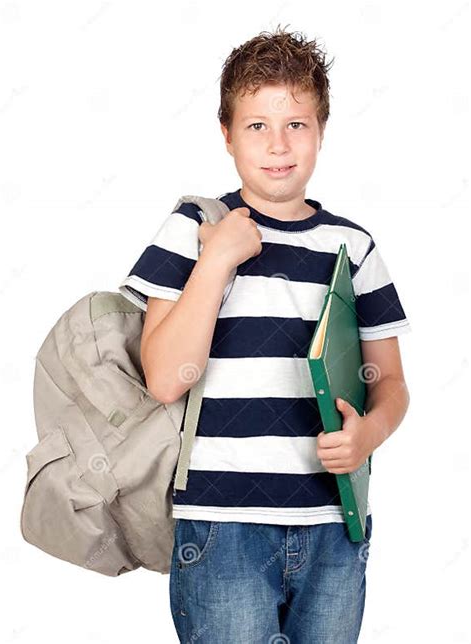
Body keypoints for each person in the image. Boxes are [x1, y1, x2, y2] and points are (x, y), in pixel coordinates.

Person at [118, 24, 411, 644]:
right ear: (226, 135)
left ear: (322, 131)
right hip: (223, 529)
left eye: (296, 125)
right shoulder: (195, 227)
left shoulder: (353, 248)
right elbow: (166, 377)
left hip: (334, 526)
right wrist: (218, 260)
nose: (278, 145)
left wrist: (367, 436)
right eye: (257, 126)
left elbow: (390, 384)